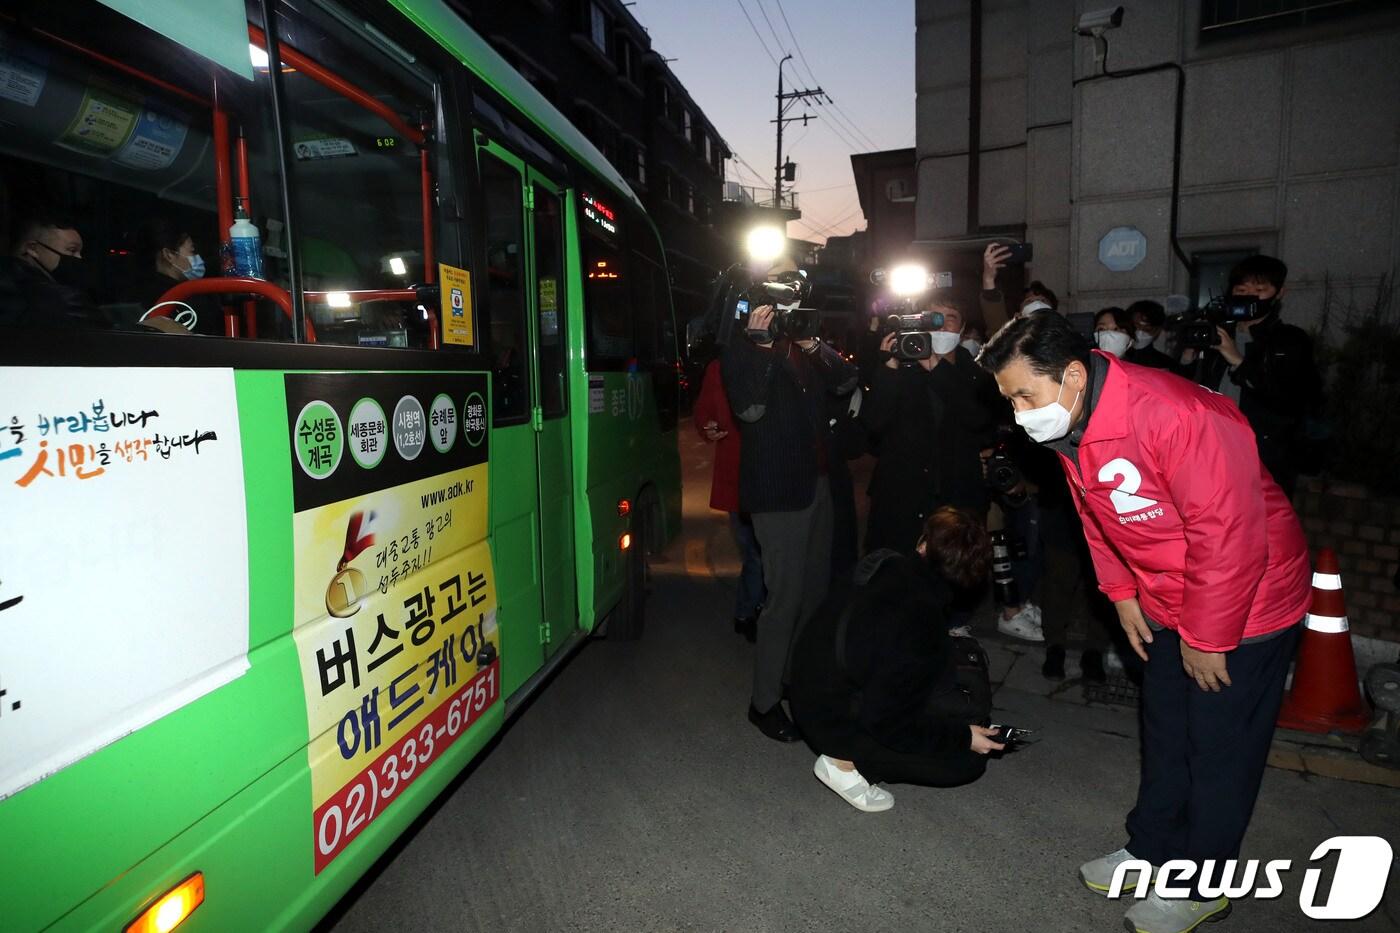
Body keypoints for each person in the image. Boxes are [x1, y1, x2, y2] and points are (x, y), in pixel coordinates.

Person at [978, 312, 1310, 933]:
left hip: (1246, 603)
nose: (1020, 412)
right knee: (1165, 728)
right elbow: (1097, 511)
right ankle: (1152, 848)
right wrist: (1123, 592)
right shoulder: (1073, 421)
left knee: (1218, 748)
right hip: (1166, 596)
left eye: (1025, 393)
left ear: (1073, 374)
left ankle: (1202, 883)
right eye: (1009, 399)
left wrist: (1209, 638)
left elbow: (1229, 537)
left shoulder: (1180, 415)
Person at [722, 255, 858, 743]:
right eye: (778, 279)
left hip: (818, 485)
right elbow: (751, 410)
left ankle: (795, 684)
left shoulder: (804, 344)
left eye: (795, 279)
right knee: (784, 600)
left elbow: (845, 383)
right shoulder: (743, 345)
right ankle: (763, 703)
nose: (789, 286)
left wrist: (812, 342)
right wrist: (760, 346)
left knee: (815, 594)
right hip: (778, 492)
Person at [788, 507, 1005, 812]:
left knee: (933, 695)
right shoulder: (921, 624)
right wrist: (961, 738)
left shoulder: (884, 562)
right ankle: (846, 764)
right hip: (830, 717)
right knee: (968, 762)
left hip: (806, 677)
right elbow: (889, 724)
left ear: (923, 545)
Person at [861, 299, 999, 555]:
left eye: (951, 317)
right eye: (934, 317)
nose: (942, 324)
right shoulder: (901, 368)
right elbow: (873, 423)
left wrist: (936, 368)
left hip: (956, 499)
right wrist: (889, 366)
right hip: (901, 499)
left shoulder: (975, 371)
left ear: (962, 328)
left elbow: (979, 418)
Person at [1180, 255, 1320, 498]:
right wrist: (1188, 356)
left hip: (1263, 457)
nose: (1249, 295)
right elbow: (1186, 392)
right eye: (1242, 289)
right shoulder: (1217, 334)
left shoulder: (1288, 340)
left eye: (1260, 289)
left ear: (1279, 293)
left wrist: (1237, 359)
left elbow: (1288, 399)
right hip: (1210, 451)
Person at [693, 357, 765, 642]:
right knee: (755, 554)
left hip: (779, 477)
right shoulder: (720, 368)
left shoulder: (784, 359)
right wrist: (707, 426)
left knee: (770, 555)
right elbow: (703, 412)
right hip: (737, 479)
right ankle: (748, 612)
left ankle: (755, 611)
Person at [0, 209, 111, 328]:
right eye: (72, 250)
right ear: (32, 249)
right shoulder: (66, 302)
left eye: (80, 252)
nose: (79, 258)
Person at [134, 219, 222, 335]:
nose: (198, 258)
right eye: (192, 251)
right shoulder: (186, 297)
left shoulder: (139, 292)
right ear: (169, 255)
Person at [980, 242, 1058, 333]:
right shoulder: (1009, 342)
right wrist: (988, 278)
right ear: (1018, 316)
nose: (1037, 304)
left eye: (1042, 301)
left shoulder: (1066, 342)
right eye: (1029, 302)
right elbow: (995, 318)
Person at [1126, 299, 1174, 368]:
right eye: (1135, 326)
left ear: (1158, 330)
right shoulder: (1116, 357)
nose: (1140, 332)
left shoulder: (1165, 364)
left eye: (1147, 329)